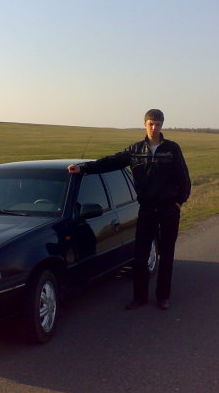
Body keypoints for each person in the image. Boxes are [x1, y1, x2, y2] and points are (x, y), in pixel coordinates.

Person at [68, 109, 191, 310]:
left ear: (162, 125)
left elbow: (184, 177)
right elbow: (111, 162)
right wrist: (83, 168)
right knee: (140, 255)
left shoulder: (172, 149)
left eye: (158, 124)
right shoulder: (135, 150)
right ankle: (139, 298)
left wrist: (179, 202)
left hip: (168, 210)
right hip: (146, 210)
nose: (154, 128)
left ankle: (163, 297)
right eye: (151, 124)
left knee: (167, 254)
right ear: (145, 124)